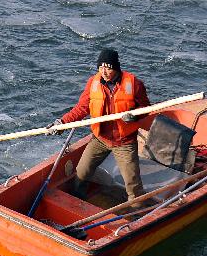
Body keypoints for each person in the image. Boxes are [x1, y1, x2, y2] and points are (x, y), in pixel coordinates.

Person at [46, 48, 150, 203]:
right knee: (81, 172)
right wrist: (62, 123)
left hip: (124, 141)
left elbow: (146, 108)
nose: (104, 71)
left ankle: (137, 211)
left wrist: (135, 115)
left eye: (108, 68)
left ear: (115, 67)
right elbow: (81, 108)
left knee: (132, 182)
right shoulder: (93, 83)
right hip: (100, 139)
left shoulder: (134, 84)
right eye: (101, 67)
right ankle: (78, 200)